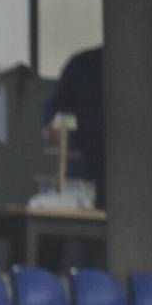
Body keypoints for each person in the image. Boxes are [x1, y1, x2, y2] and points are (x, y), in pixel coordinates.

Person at [44, 46, 104, 205]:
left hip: (87, 150)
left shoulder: (82, 63)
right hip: (90, 153)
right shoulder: (83, 64)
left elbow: (55, 106)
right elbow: (55, 107)